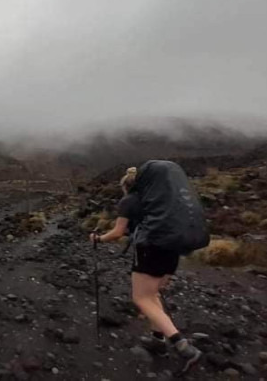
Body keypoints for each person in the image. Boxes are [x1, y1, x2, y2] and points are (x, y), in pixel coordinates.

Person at [89, 160, 209, 375]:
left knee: (141, 298)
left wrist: (98, 238)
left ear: (127, 185)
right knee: (153, 295)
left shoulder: (130, 200)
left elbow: (118, 232)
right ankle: (158, 340)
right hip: (171, 249)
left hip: (149, 249)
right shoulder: (160, 200)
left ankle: (184, 348)